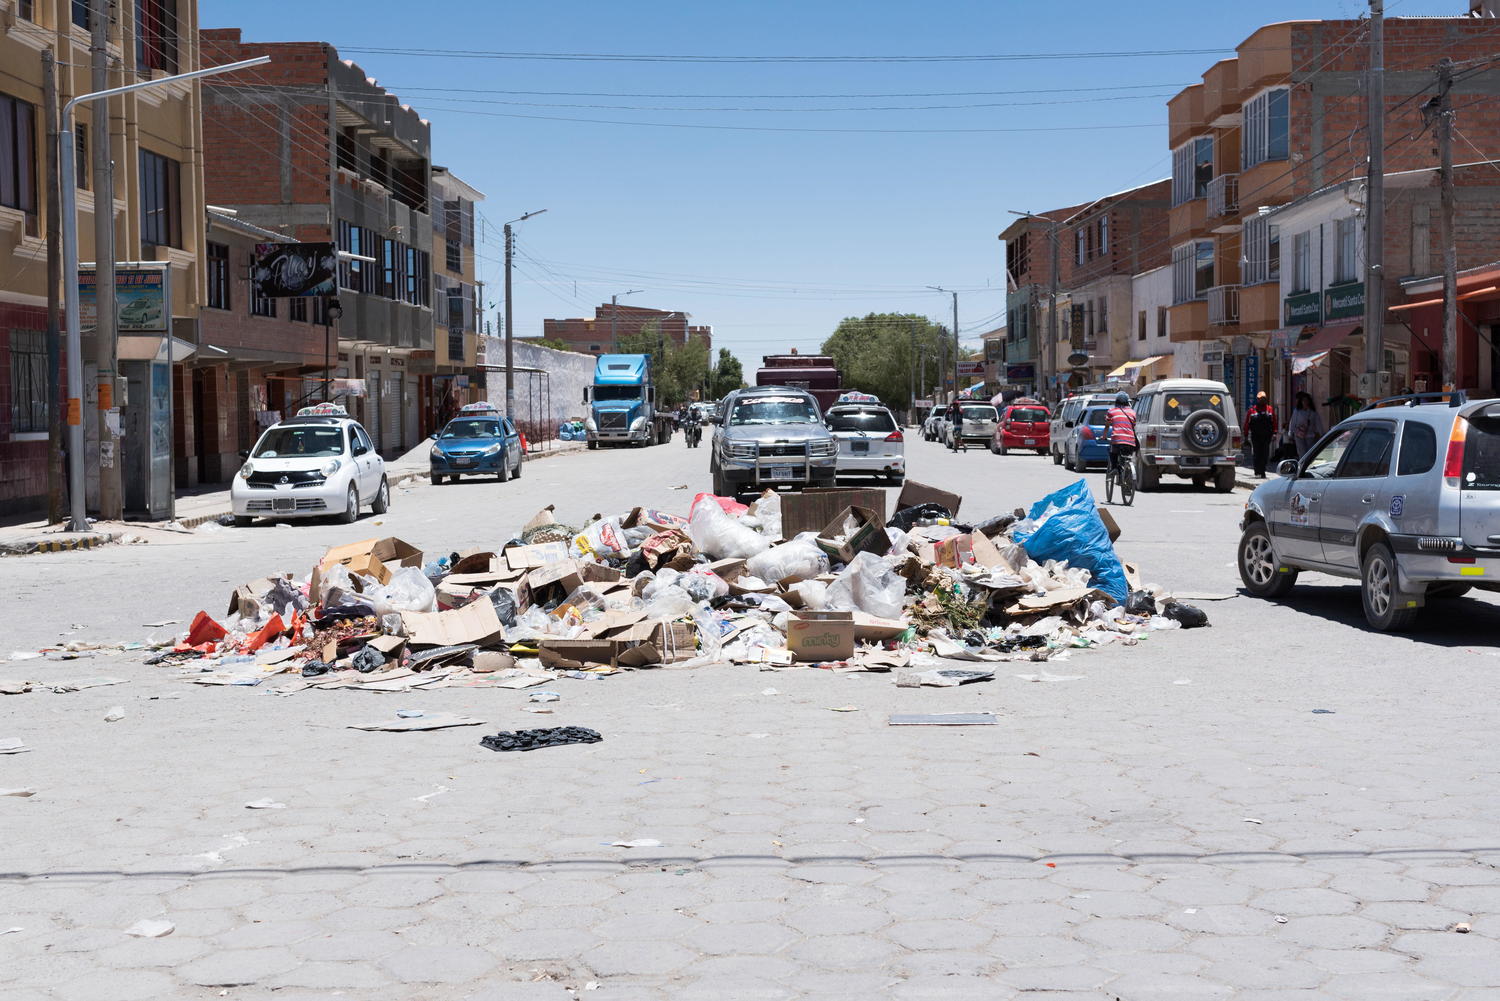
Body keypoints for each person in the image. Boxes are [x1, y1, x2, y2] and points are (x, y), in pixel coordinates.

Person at [1243, 390, 1278, 477]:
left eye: (1263, 399)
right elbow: (1247, 423)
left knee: (1265, 454)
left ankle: (1263, 470)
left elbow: (1274, 422)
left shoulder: (1270, 409)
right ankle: (1257, 471)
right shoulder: (1252, 410)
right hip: (1255, 436)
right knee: (1257, 453)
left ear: (1266, 399)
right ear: (1257, 400)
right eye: (1259, 399)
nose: (1261, 400)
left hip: (1267, 436)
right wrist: (1246, 435)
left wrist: (1275, 433)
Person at [1105, 391, 1137, 479]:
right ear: (1127, 402)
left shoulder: (1111, 411)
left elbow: (1107, 425)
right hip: (1130, 441)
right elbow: (1133, 425)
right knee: (1126, 456)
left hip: (1117, 440)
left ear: (1116, 402)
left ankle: (1115, 468)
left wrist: (1104, 436)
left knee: (1112, 451)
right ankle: (1126, 473)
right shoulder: (1132, 412)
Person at [1288, 391, 1323, 458]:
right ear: (1301, 402)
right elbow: (1293, 422)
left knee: (1309, 454)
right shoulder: (1297, 411)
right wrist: (1291, 433)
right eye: (1303, 400)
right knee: (1302, 454)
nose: (1305, 402)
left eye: (1307, 400)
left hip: (1310, 436)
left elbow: (1318, 424)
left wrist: (1321, 435)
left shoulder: (1313, 413)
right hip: (1298, 435)